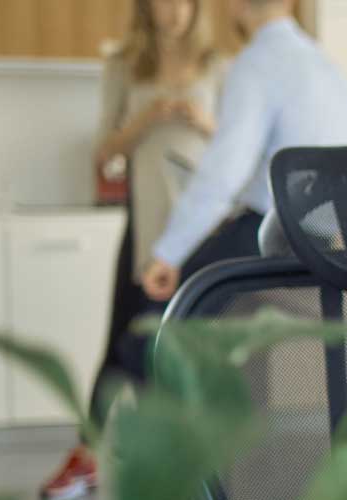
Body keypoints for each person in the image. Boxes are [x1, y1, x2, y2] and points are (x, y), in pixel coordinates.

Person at [44, 0, 227, 496]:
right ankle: (89, 459)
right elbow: (104, 153)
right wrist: (147, 118)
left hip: (203, 234)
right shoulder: (125, 66)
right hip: (148, 234)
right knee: (126, 348)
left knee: (188, 352)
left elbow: (236, 150)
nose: (169, 10)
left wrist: (199, 120)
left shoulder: (218, 67)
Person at [139, 0, 347, 302]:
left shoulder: (255, 64)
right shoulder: (328, 68)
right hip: (323, 247)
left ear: (235, 4)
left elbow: (223, 176)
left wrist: (167, 255)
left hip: (274, 238)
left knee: (156, 314)